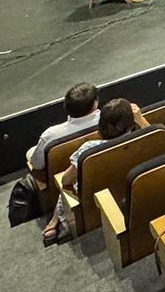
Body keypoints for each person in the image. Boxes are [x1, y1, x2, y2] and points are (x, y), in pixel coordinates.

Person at [40, 98, 149, 244]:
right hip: (126, 192)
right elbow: (158, 137)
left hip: (94, 200)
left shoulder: (89, 149)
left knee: (64, 184)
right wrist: (141, 120)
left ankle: (56, 221)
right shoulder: (144, 140)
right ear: (131, 123)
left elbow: (66, 180)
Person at [26, 82, 99, 172]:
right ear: (94, 104)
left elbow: (37, 165)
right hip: (97, 170)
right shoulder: (110, 121)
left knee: (30, 152)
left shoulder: (51, 135)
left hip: (62, 178)